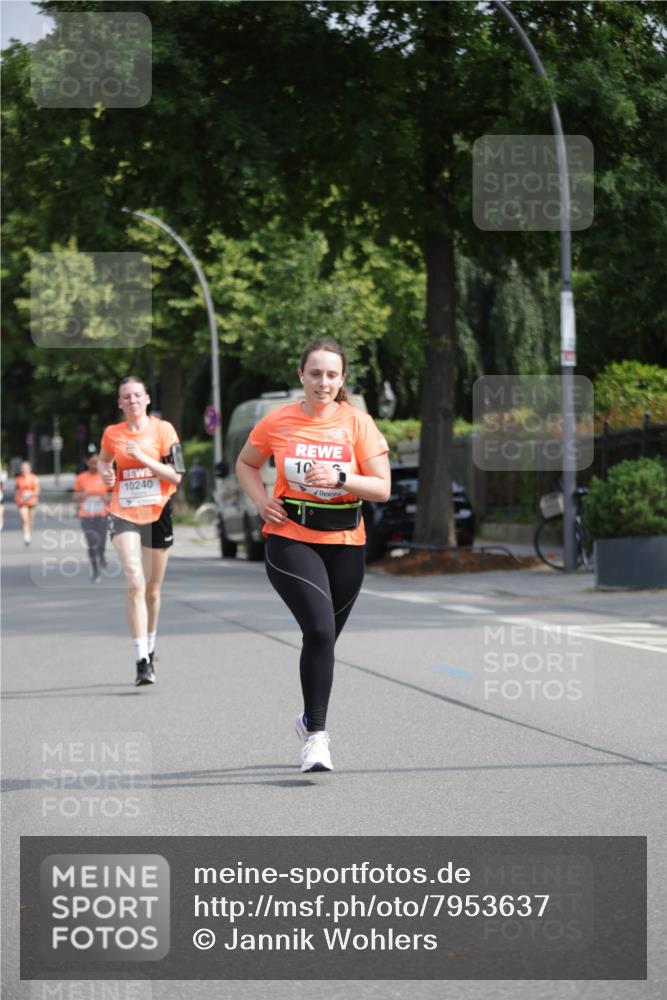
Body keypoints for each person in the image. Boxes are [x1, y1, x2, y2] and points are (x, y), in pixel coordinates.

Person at [236, 337, 390, 772]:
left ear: (342, 380)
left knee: (324, 640)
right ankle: (317, 739)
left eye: (332, 374)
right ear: (301, 375)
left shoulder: (358, 423)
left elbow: (381, 488)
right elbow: (246, 463)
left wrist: (343, 477)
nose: (323, 382)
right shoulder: (277, 421)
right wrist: (260, 499)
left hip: (345, 543)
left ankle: (306, 719)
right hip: (290, 537)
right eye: (316, 373)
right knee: (320, 632)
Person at [97, 376, 183, 686]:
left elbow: (176, 477)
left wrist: (143, 457)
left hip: (158, 511)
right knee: (135, 581)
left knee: (153, 590)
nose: (132, 401)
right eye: (126, 397)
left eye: (137, 395)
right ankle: (141, 660)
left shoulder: (164, 430)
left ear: (147, 399)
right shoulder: (112, 434)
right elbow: (104, 463)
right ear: (120, 403)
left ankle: (150, 644)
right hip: (124, 513)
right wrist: (106, 475)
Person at [73, 450, 110, 582]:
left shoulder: (105, 476)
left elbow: (112, 495)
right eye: (92, 462)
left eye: (96, 462)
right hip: (86, 515)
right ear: (87, 462)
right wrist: (84, 495)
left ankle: (102, 555)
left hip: (102, 514)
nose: (94, 465)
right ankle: (95, 571)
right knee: (91, 543)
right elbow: (75, 496)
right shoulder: (81, 477)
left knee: (101, 543)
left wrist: (106, 498)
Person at [15, 460, 40, 546]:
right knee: (25, 520)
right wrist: (18, 497)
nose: (24, 469)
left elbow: (37, 491)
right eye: (23, 468)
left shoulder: (34, 478)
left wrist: (30, 493)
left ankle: (27, 529)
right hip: (22, 502)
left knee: (30, 521)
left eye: (26, 468)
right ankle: (27, 537)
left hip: (32, 501)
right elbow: (17, 490)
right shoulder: (18, 479)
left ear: (30, 468)